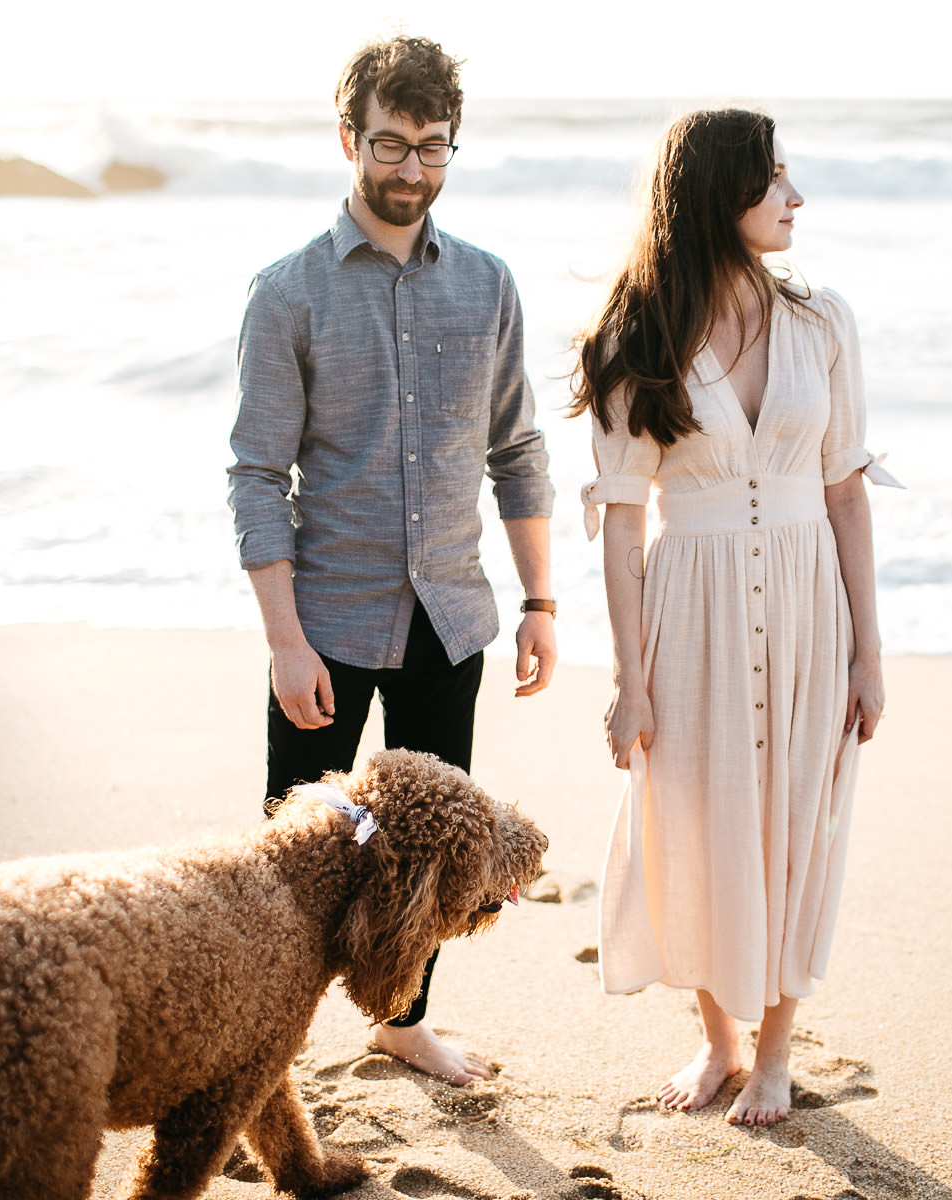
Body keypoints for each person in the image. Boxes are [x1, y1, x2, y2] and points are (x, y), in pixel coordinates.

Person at [227, 35, 557, 1088]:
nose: (410, 169)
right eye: (389, 145)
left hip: (449, 619)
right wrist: (285, 642)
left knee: (437, 861)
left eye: (431, 147)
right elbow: (254, 475)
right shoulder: (288, 294)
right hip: (326, 624)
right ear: (348, 139)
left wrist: (542, 598)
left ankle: (404, 1025)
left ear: (452, 147)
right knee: (296, 861)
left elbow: (516, 449)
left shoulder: (490, 286)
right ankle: (254, 1051)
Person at [572, 109, 901, 1126]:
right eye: (774, 182)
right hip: (693, 610)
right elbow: (623, 524)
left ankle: (776, 1053)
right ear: (722, 196)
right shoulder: (638, 338)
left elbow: (846, 491)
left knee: (801, 823)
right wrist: (630, 679)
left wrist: (870, 655)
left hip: (811, 608)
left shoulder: (821, 320)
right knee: (698, 826)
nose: (795, 200)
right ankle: (719, 1042)